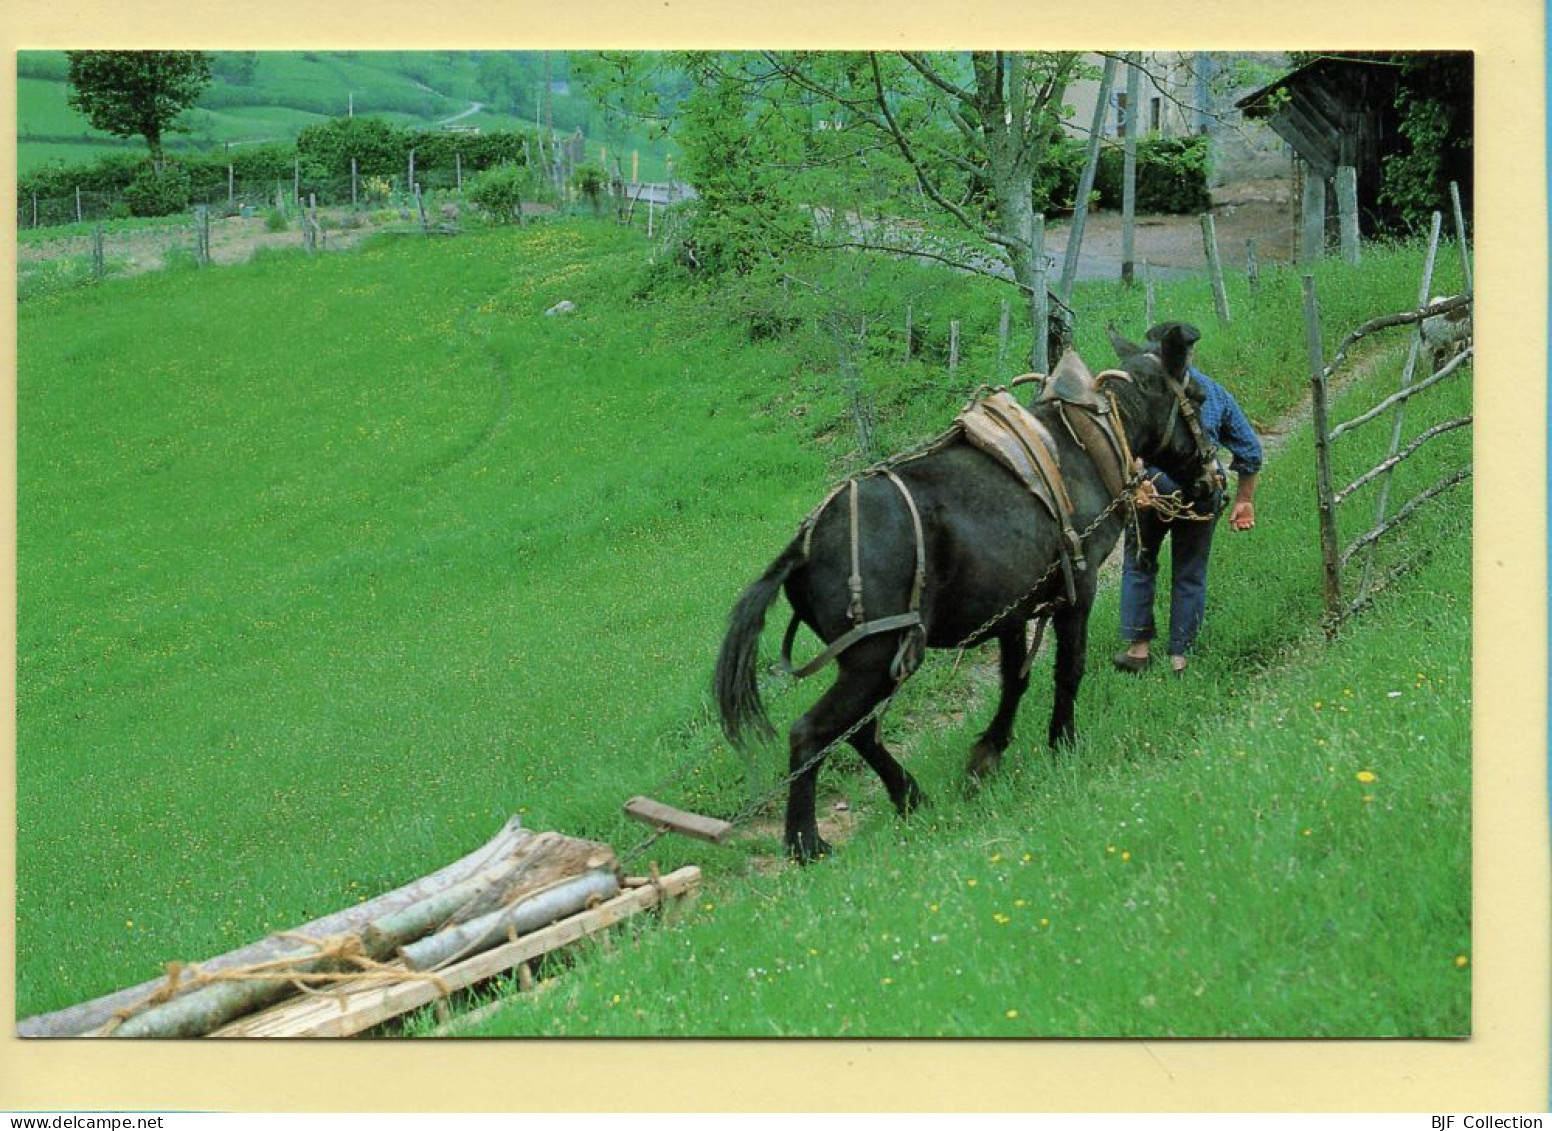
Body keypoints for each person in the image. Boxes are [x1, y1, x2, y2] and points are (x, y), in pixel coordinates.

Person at [1114, 321, 1262, 676]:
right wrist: (1244, 499)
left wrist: (1136, 485)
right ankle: (1180, 657)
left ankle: (1138, 650)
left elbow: (1120, 445)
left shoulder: (1136, 394)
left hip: (1151, 490)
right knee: (1190, 572)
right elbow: (1251, 452)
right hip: (1202, 490)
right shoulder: (1212, 391)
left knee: (1140, 563)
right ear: (1188, 354)